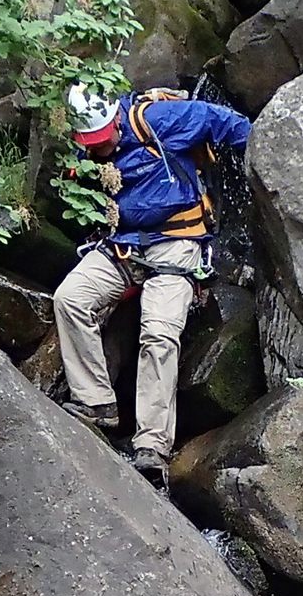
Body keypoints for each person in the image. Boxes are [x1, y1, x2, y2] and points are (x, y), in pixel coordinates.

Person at [53, 84, 253, 484]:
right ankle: (96, 403)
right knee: (69, 298)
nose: (98, 148)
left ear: (115, 119)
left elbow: (232, 125)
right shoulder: (85, 150)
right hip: (121, 247)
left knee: (159, 335)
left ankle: (151, 445)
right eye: (89, 142)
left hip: (177, 248)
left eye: (102, 138)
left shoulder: (159, 121)